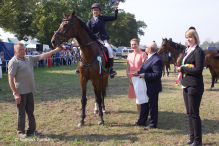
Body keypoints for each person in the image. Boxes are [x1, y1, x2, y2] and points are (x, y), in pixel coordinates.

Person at [8, 42, 62, 138]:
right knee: (21, 112)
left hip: (30, 90)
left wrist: (56, 50)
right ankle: (20, 131)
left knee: (30, 111)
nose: (22, 51)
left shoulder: (29, 58)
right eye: (20, 50)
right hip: (21, 91)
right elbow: (10, 79)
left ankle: (31, 131)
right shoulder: (13, 62)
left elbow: (42, 55)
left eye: (23, 49)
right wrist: (15, 93)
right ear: (15, 51)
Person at [176, 27, 204, 146]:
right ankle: (192, 138)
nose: (188, 39)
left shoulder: (198, 51)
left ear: (195, 38)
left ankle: (198, 141)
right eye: (186, 37)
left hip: (194, 85)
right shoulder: (188, 50)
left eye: (190, 37)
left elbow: (198, 69)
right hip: (186, 85)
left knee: (194, 114)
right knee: (189, 113)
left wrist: (182, 68)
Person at [132, 41, 163, 130]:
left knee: (152, 106)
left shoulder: (157, 59)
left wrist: (145, 75)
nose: (144, 48)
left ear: (149, 49)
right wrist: (138, 73)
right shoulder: (148, 57)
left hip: (152, 87)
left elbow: (157, 75)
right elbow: (145, 69)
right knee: (144, 103)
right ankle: (142, 121)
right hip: (145, 85)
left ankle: (152, 124)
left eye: (146, 47)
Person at [86, 2, 119, 78]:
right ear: (92, 11)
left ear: (99, 11)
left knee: (110, 50)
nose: (96, 11)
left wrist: (116, 8)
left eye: (97, 10)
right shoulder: (90, 21)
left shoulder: (103, 18)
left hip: (103, 40)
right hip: (94, 41)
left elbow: (114, 17)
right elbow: (88, 32)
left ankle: (111, 68)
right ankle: (81, 67)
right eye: (94, 10)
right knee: (83, 50)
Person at [126, 38, 147, 121]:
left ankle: (142, 116)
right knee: (137, 98)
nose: (133, 46)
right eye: (132, 44)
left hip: (140, 77)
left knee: (141, 97)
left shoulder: (143, 54)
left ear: (138, 44)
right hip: (131, 78)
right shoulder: (129, 55)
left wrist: (138, 75)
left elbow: (144, 67)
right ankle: (139, 116)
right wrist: (129, 79)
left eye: (135, 44)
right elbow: (127, 69)